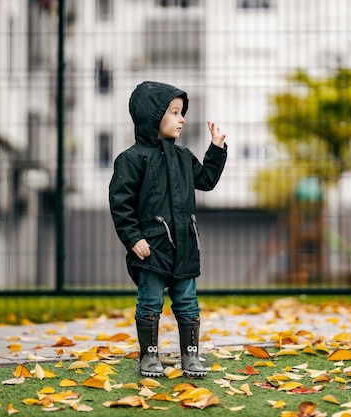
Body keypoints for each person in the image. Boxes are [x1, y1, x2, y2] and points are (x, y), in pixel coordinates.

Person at [109, 81, 227, 378]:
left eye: (181, 112)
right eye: (174, 112)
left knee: (187, 300)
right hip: (151, 247)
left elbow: (206, 180)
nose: (181, 119)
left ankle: (191, 356)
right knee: (150, 300)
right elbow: (120, 204)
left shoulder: (183, 157)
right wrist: (133, 238)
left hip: (184, 246)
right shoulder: (132, 159)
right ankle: (149, 357)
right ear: (153, 116)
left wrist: (216, 148)